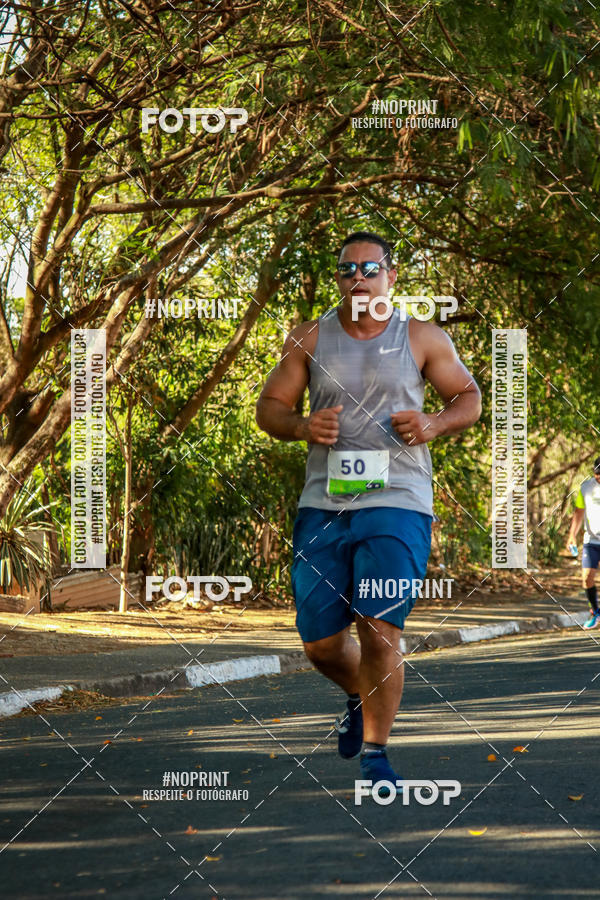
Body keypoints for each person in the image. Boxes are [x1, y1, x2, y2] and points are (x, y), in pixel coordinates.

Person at [255, 231, 481, 788]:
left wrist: (433, 424)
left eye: (370, 268)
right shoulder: (310, 337)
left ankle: (376, 754)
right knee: (320, 644)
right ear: (338, 278)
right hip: (324, 504)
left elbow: (468, 397)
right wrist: (302, 426)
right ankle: (360, 693)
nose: (358, 278)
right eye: (347, 269)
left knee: (379, 629)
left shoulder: (421, 336)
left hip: (398, 500)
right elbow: (270, 407)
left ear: (391, 276)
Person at [566, 458, 600, 629]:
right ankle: (595, 612)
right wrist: (572, 535)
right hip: (591, 541)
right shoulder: (586, 487)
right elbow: (579, 512)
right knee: (587, 578)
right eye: (597, 474)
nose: (599, 477)